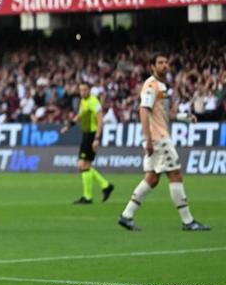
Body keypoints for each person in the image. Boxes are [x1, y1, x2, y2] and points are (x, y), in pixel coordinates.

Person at [118, 52, 210, 231]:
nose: (164, 65)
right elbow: (143, 111)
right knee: (175, 174)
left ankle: (126, 215)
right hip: (159, 139)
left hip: (157, 137)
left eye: (166, 62)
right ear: (152, 66)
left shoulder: (161, 86)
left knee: (152, 178)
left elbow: (165, 113)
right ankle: (188, 221)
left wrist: (185, 117)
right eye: (160, 62)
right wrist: (149, 139)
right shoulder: (152, 85)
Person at [60, 82, 114, 204]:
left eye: (85, 90)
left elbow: (100, 121)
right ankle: (105, 186)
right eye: (81, 90)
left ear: (89, 90)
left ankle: (88, 197)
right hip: (86, 134)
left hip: (92, 134)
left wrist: (97, 138)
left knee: (82, 165)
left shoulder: (94, 102)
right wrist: (69, 126)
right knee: (85, 165)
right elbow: (80, 115)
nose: (83, 92)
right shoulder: (83, 101)